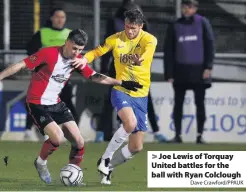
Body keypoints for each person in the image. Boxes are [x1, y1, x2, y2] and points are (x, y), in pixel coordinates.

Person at [0, 29, 142, 184]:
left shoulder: (76, 61)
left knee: (79, 142)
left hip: (56, 103)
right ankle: (41, 163)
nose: (76, 53)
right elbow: (21, 64)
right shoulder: (47, 53)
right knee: (57, 138)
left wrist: (122, 83)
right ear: (67, 42)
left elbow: (95, 77)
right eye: (74, 48)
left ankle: (74, 174)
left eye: (80, 50)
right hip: (37, 103)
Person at [72, 9, 158, 185]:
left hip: (141, 94)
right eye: (127, 26)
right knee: (130, 123)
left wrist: (139, 60)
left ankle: (108, 166)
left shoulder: (150, 39)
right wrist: (84, 59)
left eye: (133, 28)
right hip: (121, 89)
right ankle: (106, 158)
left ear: (141, 26)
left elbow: (146, 55)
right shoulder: (115, 39)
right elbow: (96, 52)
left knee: (136, 147)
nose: (130, 31)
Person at [96, 0, 167, 143]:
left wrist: (104, 67)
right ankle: (102, 132)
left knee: (115, 100)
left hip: (133, 68)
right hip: (121, 67)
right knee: (122, 99)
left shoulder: (137, 22)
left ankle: (101, 133)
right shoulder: (118, 21)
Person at [164, 0, 215, 143]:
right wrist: (169, 73)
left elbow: (210, 45)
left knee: (200, 103)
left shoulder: (203, 22)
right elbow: (169, 51)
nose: (186, 9)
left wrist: (208, 67)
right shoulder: (175, 25)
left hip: (199, 71)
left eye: (189, 7)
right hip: (180, 71)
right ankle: (178, 135)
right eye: (184, 7)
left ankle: (200, 135)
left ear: (195, 8)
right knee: (178, 104)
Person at [25, 8, 77, 140]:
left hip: (62, 77)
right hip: (44, 77)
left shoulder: (70, 34)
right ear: (52, 18)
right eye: (57, 17)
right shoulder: (43, 33)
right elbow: (31, 51)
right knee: (37, 103)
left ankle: (72, 132)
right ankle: (28, 129)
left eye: (63, 17)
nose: (60, 20)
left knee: (67, 103)